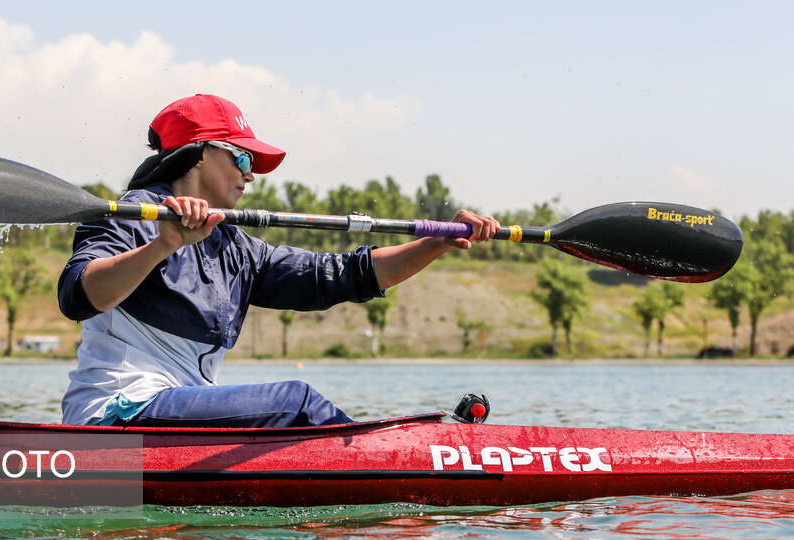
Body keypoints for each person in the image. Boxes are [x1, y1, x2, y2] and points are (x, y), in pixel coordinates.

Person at [57, 94, 499, 427]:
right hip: (112, 416)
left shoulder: (234, 248)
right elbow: (78, 295)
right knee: (294, 402)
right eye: (243, 157)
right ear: (197, 154)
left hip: (175, 422)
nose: (250, 175)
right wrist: (162, 246)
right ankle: (403, 467)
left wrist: (436, 242)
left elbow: (339, 276)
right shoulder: (136, 213)